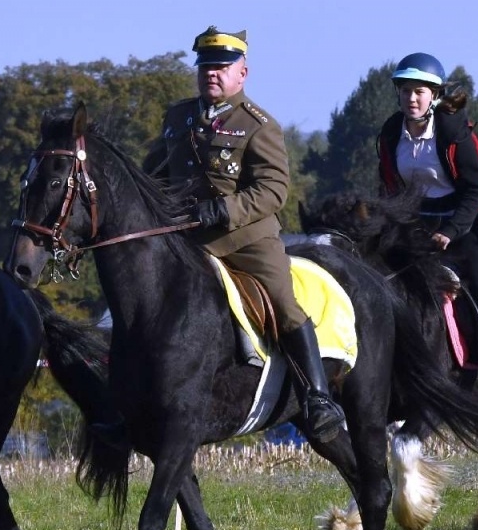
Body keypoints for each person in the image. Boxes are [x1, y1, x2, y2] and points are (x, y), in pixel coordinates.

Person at [145, 26, 347, 443]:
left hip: (244, 240)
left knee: (283, 302)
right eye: (205, 66)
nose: (211, 73)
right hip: (187, 239)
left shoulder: (258, 125)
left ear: (243, 73)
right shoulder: (178, 118)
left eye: (222, 66)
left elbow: (274, 189)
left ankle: (318, 398)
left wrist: (225, 209)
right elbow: (155, 174)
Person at [378, 52, 478, 409]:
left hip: (460, 227)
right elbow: (390, 188)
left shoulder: (450, 129)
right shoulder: (391, 132)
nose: (411, 99)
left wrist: (451, 230)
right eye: (405, 91)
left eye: (419, 92)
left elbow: (475, 190)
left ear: (434, 96)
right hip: (415, 228)